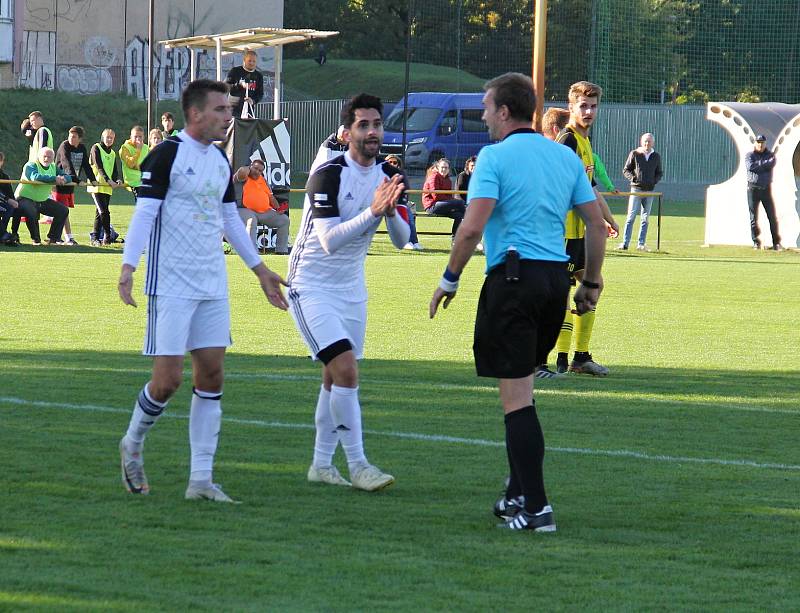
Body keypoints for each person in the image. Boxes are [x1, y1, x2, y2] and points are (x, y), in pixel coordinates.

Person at [429, 72, 607, 532]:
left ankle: (536, 507)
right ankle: (515, 493)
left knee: (517, 402)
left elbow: (470, 228)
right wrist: (590, 283)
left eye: (487, 108)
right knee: (523, 393)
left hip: (513, 280)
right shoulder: (562, 155)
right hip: (554, 284)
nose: (485, 116)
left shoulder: (494, 156)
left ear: (504, 111)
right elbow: (594, 222)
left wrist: (449, 279)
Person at [117, 79, 289, 503]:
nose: (228, 117)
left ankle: (201, 480)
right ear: (196, 114)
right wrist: (128, 266)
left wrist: (261, 270)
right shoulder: (166, 155)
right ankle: (133, 442)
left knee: (211, 375)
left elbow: (231, 220)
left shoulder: (218, 159)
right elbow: (144, 215)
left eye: (228, 110)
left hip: (212, 281)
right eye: (221, 110)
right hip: (171, 284)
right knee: (168, 381)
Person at [287, 93, 410, 492]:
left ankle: (321, 466)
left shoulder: (386, 178)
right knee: (346, 371)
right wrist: (371, 212)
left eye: (377, 123)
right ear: (347, 132)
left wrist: (389, 213)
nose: (373, 131)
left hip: (351, 291)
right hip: (310, 285)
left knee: (333, 377)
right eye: (364, 124)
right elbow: (328, 241)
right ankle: (359, 466)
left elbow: (401, 240)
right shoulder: (327, 173)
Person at [550, 81, 619, 377]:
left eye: (593, 106)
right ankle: (560, 359)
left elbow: (589, 187)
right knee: (561, 293)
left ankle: (579, 357)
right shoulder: (567, 140)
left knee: (594, 285)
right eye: (583, 106)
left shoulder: (585, 142)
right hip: (562, 232)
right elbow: (558, 185)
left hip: (579, 232)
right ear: (571, 107)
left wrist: (608, 218)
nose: (589, 111)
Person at [13, 147, 71, 245]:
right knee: (31, 211)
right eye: (44, 156)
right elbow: (34, 177)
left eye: (49, 157)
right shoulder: (31, 165)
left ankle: (53, 238)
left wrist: (64, 179)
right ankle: (36, 239)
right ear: (39, 156)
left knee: (63, 210)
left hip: (42, 200)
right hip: (23, 198)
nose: (46, 159)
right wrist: (54, 178)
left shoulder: (53, 167)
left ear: (53, 158)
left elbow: (67, 176)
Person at [233, 158, 290, 254]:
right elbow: (242, 172)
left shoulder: (263, 180)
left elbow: (271, 198)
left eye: (260, 170)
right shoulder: (243, 176)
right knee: (251, 220)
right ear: (250, 167)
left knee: (284, 220)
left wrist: (278, 208)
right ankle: (252, 251)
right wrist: (249, 168)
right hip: (243, 209)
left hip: (264, 212)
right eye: (255, 168)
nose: (257, 172)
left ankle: (281, 251)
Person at [619, 133, 663, 251]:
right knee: (631, 217)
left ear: (653, 143)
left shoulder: (656, 156)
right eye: (645, 141)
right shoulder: (634, 154)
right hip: (636, 189)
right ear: (641, 142)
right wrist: (633, 178)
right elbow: (626, 170)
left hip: (649, 191)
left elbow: (659, 172)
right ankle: (625, 243)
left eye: (649, 141)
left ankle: (641, 244)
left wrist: (654, 181)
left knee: (645, 218)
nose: (647, 144)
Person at [54, 126, 96, 245]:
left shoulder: (82, 148)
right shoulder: (65, 146)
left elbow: (86, 165)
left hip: (71, 183)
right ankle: (68, 238)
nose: (70, 138)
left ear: (80, 139)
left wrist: (92, 180)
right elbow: (66, 164)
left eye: (74, 137)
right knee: (63, 211)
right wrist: (78, 180)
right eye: (70, 136)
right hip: (60, 182)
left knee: (62, 211)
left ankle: (56, 236)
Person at [745, 134, 782, 250]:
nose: (760, 144)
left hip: (766, 189)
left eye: (762, 142)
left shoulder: (770, 155)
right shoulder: (749, 155)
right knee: (753, 217)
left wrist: (759, 165)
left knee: (772, 216)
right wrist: (763, 165)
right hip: (753, 189)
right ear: (755, 143)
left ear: (765, 143)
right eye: (758, 142)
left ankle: (776, 243)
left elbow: (771, 163)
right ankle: (756, 242)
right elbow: (750, 166)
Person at [88, 128, 122, 246]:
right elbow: (99, 166)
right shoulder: (96, 147)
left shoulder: (112, 153)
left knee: (99, 213)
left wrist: (116, 179)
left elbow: (114, 170)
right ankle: (107, 236)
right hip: (97, 185)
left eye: (111, 138)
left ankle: (95, 238)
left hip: (107, 187)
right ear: (103, 137)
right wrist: (108, 180)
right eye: (107, 137)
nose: (109, 139)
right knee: (104, 212)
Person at [385, 154, 422, 251]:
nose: (392, 164)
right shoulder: (381, 173)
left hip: (399, 202)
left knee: (410, 219)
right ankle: (405, 242)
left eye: (395, 162)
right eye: (390, 162)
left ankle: (414, 241)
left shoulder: (401, 175)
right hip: (384, 203)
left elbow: (405, 190)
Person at [422, 158, 466, 240]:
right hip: (432, 206)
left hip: (443, 205)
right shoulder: (434, 177)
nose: (444, 169)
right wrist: (452, 202)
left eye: (446, 168)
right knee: (460, 203)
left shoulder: (448, 180)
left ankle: (455, 239)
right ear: (438, 168)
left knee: (459, 215)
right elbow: (436, 196)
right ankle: (470, 223)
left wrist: (451, 202)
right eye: (442, 167)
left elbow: (448, 196)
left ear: (449, 169)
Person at [225, 49, 264, 119]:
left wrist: (253, 100)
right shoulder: (235, 71)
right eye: (249, 60)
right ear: (244, 60)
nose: (251, 63)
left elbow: (260, 93)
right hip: (233, 109)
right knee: (234, 129)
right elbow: (226, 87)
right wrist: (240, 85)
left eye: (254, 61)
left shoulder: (258, 76)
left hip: (249, 110)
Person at [119, 126, 150, 198]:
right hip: (133, 181)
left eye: (140, 137)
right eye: (135, 136)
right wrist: (138, 150)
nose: (138, 139)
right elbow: (131, 164)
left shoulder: (146, 147)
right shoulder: (125, 148)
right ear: (130, 136)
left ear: (144, 137)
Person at [0, 151, 22, 245]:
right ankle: (3, 235)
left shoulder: (5, 177)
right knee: (8, 208)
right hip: (3, 202)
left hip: (3, 203)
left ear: (2, 162)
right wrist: (7, 200)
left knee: (17, 208)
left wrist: (12, 201)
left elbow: (10, 194)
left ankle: (12, 233)